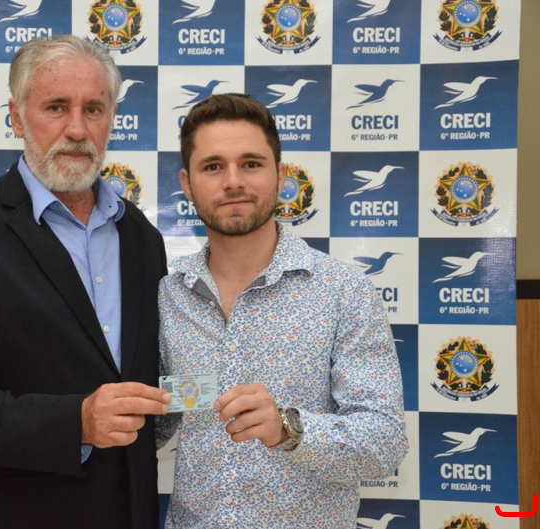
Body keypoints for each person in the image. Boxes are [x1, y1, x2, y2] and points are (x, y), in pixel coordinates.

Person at [0, 35, 170, 528]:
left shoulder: (141, 237)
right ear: (16, 116)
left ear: (112, 117)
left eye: (94, 109)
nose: (77, 129)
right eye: (56, 107)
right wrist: (77, 422)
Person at [156, 93, 408, 528]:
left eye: (251, 164)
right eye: (213, 166)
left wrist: (288, 430)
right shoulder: (169, 294)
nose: (233, 181)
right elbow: (162, 418)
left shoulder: (343, 292)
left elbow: (385, 443)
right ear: (187, 183)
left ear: (281, 174)